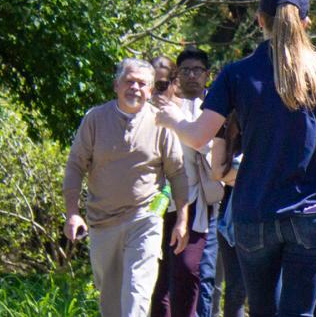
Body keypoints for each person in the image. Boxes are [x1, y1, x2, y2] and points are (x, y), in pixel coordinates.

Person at [156, 0, 316, 317]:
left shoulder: (236, 74)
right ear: (306, 21)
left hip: (256, 212)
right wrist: (308, 149)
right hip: (310, 213)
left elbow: (198, 137)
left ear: (259, 20)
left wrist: (171, 121)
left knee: (262, 311)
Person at [63, 58, 190, 316]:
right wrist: (72, 213)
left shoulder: (160, 123)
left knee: (137, 295)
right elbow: (75, 166)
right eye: (129, 81)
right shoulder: (95, 119)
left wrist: (182, 221)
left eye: (142, 84)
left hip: (145, 218)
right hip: (102, 222)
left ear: (151, 90)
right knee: (110, 302)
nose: (135, 88)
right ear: (116, 85)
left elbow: (177, 173)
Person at [151, 47, 225, 317]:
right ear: (176, 76)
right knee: (162, 273)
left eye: (198, 70)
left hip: (203, 202)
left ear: (208, 75)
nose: (192, 76)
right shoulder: (166, 108)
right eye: (185, 71)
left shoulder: (217, 108)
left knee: (194, 271)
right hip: (163, 202)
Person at [210, 113, 247, 317]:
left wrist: (240, 174)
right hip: (232, 215)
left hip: (270, 211)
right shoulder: (224, 124)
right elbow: (218, 172)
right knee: (236, 289)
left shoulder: (274, 119)